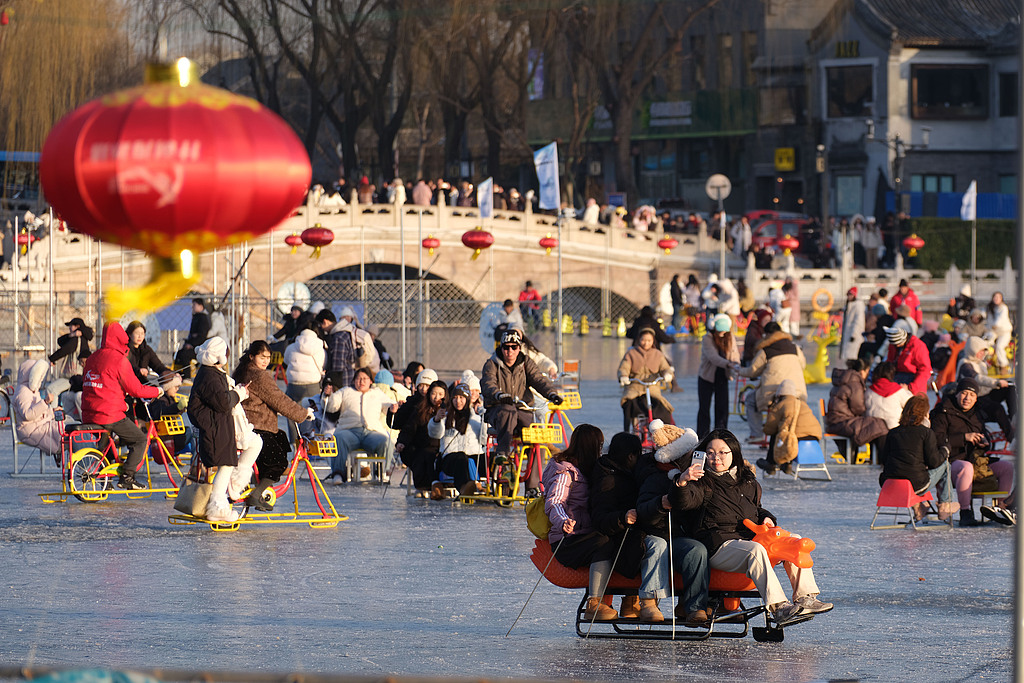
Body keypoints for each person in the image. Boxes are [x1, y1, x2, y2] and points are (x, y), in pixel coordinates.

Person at [670, 429, 833, 625]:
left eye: (723, 452)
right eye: (711, 452)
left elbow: (757, 509)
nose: (716, 458)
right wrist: (683, 481)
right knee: (754, 550)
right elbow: (684, 502)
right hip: (718, 545)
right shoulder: (700, 481)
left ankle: (806, 597)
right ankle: (779, 607)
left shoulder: (746, 480)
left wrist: (767, 519)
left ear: (734, 453)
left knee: (794, 541)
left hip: (748, 537)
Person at [543, 424, 622, 622]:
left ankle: (625, 600)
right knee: (603, 543)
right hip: (567, 540)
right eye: (600, 444)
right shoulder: (566, 472)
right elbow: (555, 501)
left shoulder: (586, 469)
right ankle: (594, 604)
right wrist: (563, 521)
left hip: (583, 533)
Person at [634, 423, 710, 625]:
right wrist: (661, 503)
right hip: (654, 533)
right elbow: (642, 511)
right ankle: (649, 601)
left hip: (678, 537)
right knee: (658, 546)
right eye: (689, 454)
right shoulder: (654, 478)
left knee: (696, 550)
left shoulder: (699, 478)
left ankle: (693, 606)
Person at [232, 341, 314, 508]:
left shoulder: (242, 371)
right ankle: (257, 493)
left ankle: (260, 486)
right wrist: (303, 414)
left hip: (249, 424)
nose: (265, 361)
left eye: (268, 358)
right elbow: (279, 400)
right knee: (278, 461)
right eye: (262, 357)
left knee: (281, 438)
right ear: (251, 356)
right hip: (258, 426)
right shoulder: (260, 376)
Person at [81, 322, 162, 490]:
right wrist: (157, 391)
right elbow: (136, 389)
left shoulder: (93, 357)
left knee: (105, 443)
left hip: (89, 412)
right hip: (109, 413)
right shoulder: (119, 360)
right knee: (139, 440)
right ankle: (128, 476)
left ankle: (106, 479)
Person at [188, 337, 260, 522]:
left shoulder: (210, 373)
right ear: (220, 357)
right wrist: (239, 394)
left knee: (226, 465)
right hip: (214, 429)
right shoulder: (210, 376)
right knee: (225, 466)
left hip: (218, 427)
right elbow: (223, 402)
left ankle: (223, 500)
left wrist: (236, 392)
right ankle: (218, 508)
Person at [482, 329, 562, 493]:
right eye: (506, 347)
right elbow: (488, 384)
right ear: (501, 347)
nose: (509, 351)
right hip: (498, 409)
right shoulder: (492, 363)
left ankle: (532, 487)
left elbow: (539, 380)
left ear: (519, 348)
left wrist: (552, 394)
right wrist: (499, 394)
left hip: (522, 409)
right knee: (508, 410)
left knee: (537, 442)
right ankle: (502, 452)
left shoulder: (526, 362)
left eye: (513, 347)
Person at [931, 377, 1015, 527]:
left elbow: (984, 436)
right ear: (957, 394)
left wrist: (985, 442)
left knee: (1006, 467)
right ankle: (965, 512)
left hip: (976, 460)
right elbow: (936, 440)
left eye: (972, 395)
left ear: (976, 398)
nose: (967, 398)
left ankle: (1001, 509)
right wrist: (964, 438)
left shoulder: (977, 413)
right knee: (966, 467)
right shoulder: (942, 412)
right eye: (964, 393)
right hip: (951, 463)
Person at [588, 432, 645, 620]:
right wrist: (623, 517)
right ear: (630, 456)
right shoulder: (609, 479)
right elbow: (599, 517)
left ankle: (631, 601)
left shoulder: (623, 473)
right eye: (639, 454)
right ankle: (596, 602)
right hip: (612, 534)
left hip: (622, 531)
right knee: (640, 543)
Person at [879, 394, 958, 522]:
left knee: (911, 470)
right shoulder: (926, 433)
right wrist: (945, 449)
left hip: (890, 484)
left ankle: (919, 508)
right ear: (925, 414)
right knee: (945, 466)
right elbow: (934, 462)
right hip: (916, 485)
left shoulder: (892, 432)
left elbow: (884, 460)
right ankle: (945, 505)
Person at [321, 367, 396, 485]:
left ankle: (382, 473)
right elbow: (331, 406)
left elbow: (388, 405)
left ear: (370, 381)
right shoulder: (345, 391)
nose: (361, 382)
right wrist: (328, 396)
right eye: (358, 379)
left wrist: (393, 407)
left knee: (386, 441)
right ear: (354, 380)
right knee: (339, 438)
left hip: (371, 432)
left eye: (364, 379)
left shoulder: (376, 393)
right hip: (349, 431)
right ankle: (338, 473)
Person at [736, 322, 807, 445]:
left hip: (773, 393)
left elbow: (753, 371)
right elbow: (803, 365)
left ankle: (757, 434)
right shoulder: (795, 348)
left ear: (767, 335)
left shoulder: (765, 351)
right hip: (797, 391)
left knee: (750, 400)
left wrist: (739, 370)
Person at [428, 383, 484, 497]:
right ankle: (464, 487)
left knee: (491, 458)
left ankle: (505, 484)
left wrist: (485, 420)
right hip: (451, 458)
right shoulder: (445, 417)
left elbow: (484, 440)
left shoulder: (476, 419)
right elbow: (435, 434)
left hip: (472, 457)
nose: (458, 401)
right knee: (461, 457)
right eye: (455, 398)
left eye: (461, 398)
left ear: (467, 399)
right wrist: (437, 420)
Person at [757, 379, 823, 476]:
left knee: (777, 434)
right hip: (814, 437)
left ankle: (770, 464)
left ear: (779, 393)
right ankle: (787, 464)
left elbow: (769, 429)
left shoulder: (781, 405)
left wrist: (772, 406)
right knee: (789, 433)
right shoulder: (802, 403)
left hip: (795, 439)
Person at [957, 336, 1016, 442]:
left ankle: (1014, 418)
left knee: (1010, 390)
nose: (982, 354)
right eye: (980, 351)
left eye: (984, 351)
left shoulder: (981, 363)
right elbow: (977, 378)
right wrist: (996, 383)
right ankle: (1012, 438)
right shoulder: (965, 364)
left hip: (986, 394)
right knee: (998, 409)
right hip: (975, 399)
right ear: (972, 351)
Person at [825, 358, 889, 454]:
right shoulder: (854, 383)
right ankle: (882, 457)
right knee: (879, 424)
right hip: (842, 422)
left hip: (835, 420)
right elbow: (858, 408)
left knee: (875, 425)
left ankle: (876, 457)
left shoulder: (844, 380)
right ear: (862, 371)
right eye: (868, 371)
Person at [618, 328, 674, 432]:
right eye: (644, 340)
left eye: (649, 340)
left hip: (653, 389)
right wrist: (623, 376)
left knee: (664, 410)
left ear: (653, 341)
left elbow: (665, 368)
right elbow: (624, 367)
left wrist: (667, 374)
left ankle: (664, 435)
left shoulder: (658, 354)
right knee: (629, 406)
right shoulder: (631, 353)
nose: (646, 343)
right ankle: (627, 432)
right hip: (634, 389)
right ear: (639, 339)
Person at [396, 379, 447, 495]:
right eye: (433, 393)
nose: (436, 397)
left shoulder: (447, 411)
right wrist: (401, 442)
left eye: (440, 394)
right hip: (421, 445)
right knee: (419, 455)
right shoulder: (420, 409)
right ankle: (422, 487)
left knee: (429, 456)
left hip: (440, 446)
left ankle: (434, 486)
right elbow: (409, 428)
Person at [697, 314, 738, 437]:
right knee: (704, 408)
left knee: (722, 407)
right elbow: (713, 357)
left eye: (725, 329)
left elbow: (734, 353)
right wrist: (729, 364)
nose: (722, 332)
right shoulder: (707, 339)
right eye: (720, 329)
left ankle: (721, 434)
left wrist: (736, 363)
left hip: (722, 376)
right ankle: (702, 435)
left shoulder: (730, 337)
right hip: (707, 377)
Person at [284, 327, 326, 441]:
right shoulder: (320, 349)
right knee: (313, 414)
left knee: (292, 412)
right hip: (313, 385)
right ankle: (311, 441)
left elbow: (286, 361)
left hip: (294, 385)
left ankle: (294, 441)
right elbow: (324, 363)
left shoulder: (291, 347)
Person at [125, 320, 172, 420]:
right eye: (137, 333)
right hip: (128, 384)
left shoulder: (146, 350)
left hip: (142, 383)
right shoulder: (125, 349)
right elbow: (125, 366)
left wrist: (168, 373)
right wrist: (138, 370)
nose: (140, 336)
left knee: (156, 393)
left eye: (142, 334)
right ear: (129, 334)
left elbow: (158, 366)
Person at [13, 359, 62, 457]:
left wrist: (52, 412)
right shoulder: (23, 392)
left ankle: (81, 459)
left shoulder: (32, 390)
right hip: (29, 430)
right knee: (64, 429)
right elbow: (28, 415)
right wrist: (45, 402)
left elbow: (39, 412)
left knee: (66, 424)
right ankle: (87, 460)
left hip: (37, 425)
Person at [864, 361, 914, 430]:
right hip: (893, 429)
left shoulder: (868, 391)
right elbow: (912, 404)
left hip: (872, 429)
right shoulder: (899, 390)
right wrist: (907, 390)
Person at [883, 326, 931, 395]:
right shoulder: (893, 345)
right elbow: (890, 362)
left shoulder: (918, 346)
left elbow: (925, 370)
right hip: (897, 376)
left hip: (913, 380)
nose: (897, 346)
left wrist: (910, 387)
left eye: (898, 344)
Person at [175, 298, 211, 377]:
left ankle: (187, 376)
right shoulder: (196, 317)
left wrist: (192, 344)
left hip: (199, 347)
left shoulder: (203, 318)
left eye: (194, 305)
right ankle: (179, 374)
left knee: (185, 355)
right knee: (177, 354)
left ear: (201, 306)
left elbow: (201, 336)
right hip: (192, 344)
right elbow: (193, 334)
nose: (193, 307)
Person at [986, 291, 1013, 374]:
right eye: (995, 297)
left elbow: (1001, 319)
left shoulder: (1004, 307)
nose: (996, 299)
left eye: (998, 297)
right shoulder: (991, 308)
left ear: (1001, 299)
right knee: (987, 342)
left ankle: (1003, 365)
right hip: (994, 331)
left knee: (1000, 346)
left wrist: (995, 325)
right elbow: (989, 321)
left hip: (1004, 332)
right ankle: (986, 362)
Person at [839, 288, 865, 362]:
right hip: (848, 334)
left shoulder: (858, 306)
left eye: (850, 295)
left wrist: (854, 334)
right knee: (848, 358)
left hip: (854, 336)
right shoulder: (849, 305)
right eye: (848, 295)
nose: (849, 297)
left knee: (853, 357)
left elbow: (858, 321)